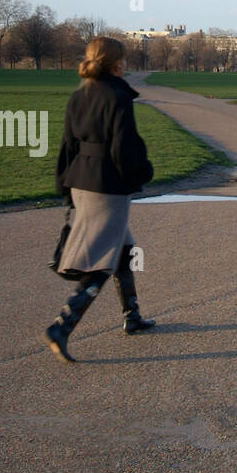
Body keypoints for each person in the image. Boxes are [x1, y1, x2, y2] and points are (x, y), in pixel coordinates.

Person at [44, 37, 156, 362]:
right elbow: (124, 149)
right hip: (108, 187)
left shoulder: (79, 96)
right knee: (102, 261)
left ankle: (132, 316)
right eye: (124, 60)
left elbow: (67, 147)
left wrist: (64, 186)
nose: (126, 64)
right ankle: (61, 326)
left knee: (123, 249)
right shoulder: (118, 96)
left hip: (81, 181)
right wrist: (141, 173)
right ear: (116, 64)